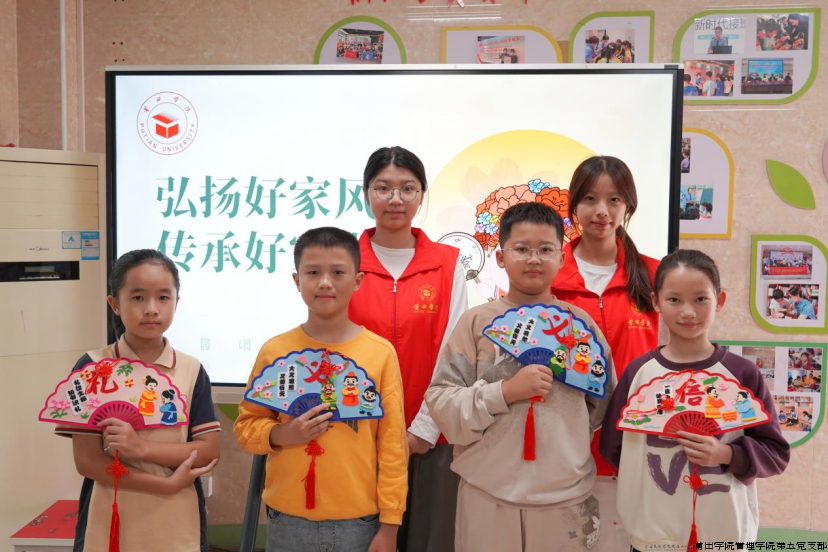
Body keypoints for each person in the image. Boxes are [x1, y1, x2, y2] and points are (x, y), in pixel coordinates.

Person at [427, 202, 616, 552]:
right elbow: (441, 399)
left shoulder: (581, 325)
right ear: (500, 257)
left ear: (562, 258)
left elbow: (601, 400)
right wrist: (504, 393)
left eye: (545, 250)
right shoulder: (476, 322)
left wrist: (566, 435)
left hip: (566, 495)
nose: (533, 259)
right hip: (487, 492)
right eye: (521, 249)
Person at [599, 249, 790, 550]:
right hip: (654, 539)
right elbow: (613, 447)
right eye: (674, 300)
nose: (688, 312)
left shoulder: (743, 373)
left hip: (725, 534)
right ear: (656, 302)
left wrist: (726, 454)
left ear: (720, 300)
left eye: (701, 299)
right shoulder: (640, 373)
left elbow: (776, 453)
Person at [234, 227, 408, 552]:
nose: (325, 282)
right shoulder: (275, 352)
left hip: (360, 521)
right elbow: (246, 427)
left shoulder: (380, 353)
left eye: (338, 272)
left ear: (357, 280)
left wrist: (390, 525)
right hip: (287, 519)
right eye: (313, 272)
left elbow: (393, 447)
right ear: (297, 280)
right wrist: (283, 434)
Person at [55, 249, 221, 551]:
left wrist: (141, 448)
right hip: (111, 517)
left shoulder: (192, 369)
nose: (151, 309)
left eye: (163, 297)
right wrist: (165, 484)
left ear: (176, 302)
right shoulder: (92, 367)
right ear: (114, 304)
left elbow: (208, 451)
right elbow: (88, 461)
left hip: (177, 519)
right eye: (138, 297)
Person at [348, 146, 469, 552]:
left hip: (432, 439)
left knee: (429, 541)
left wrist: (422, 430)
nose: (395, 199)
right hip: (357, 434)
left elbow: (455, 351)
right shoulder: (344, 260)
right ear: (366, 193)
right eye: (383, 188)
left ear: (422, 194)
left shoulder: (448, 264)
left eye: (407, 188)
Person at [550, 156, 660, 550]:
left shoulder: (655, 275)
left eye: (614, 199)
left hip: (637, 447)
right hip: (564, 449)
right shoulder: (549, 276)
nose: (602, 211)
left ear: (628, 204)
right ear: (574, 205)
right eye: (590, 199)